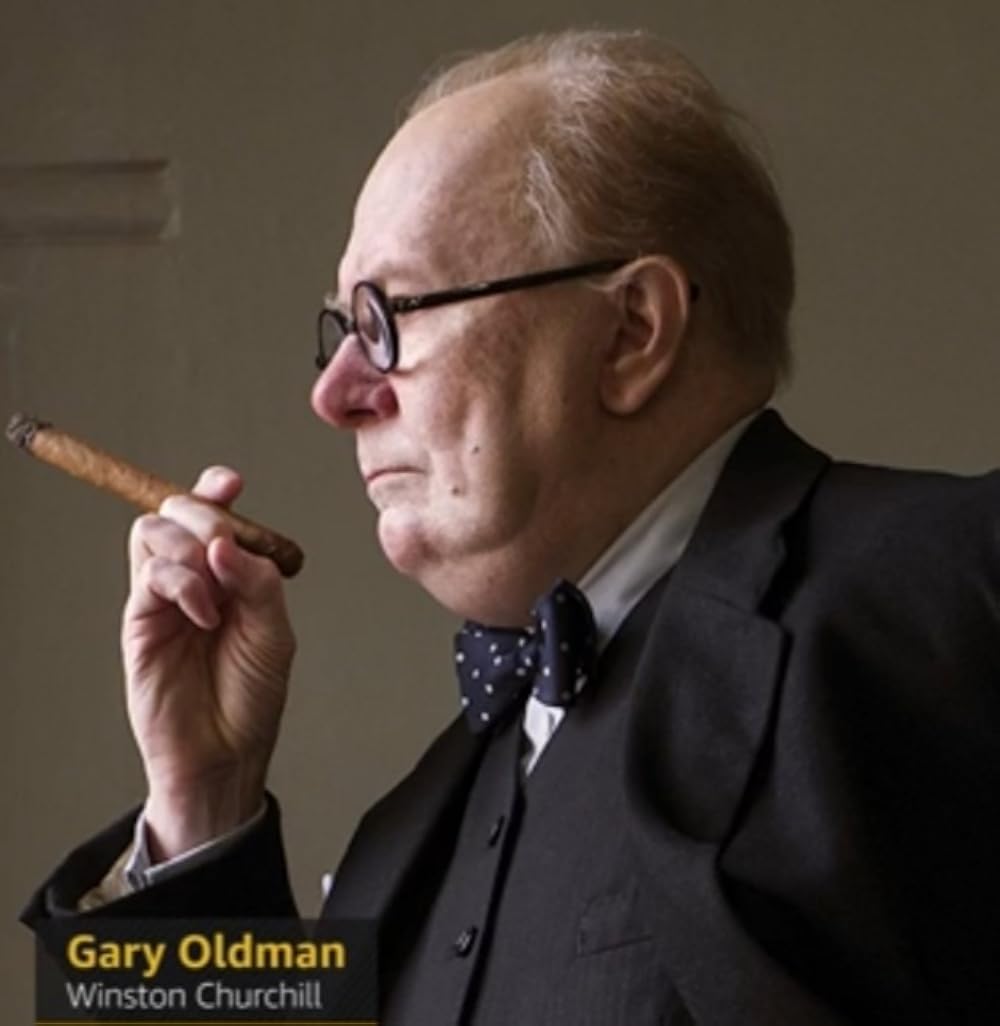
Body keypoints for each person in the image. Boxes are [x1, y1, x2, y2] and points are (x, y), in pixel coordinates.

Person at [23, 28, 1000, 1026]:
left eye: (387, 316)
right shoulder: (402, 836)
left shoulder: (957, 584)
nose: (336, 393)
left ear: (631, 333)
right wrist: (201, 807)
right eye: (342, 330)